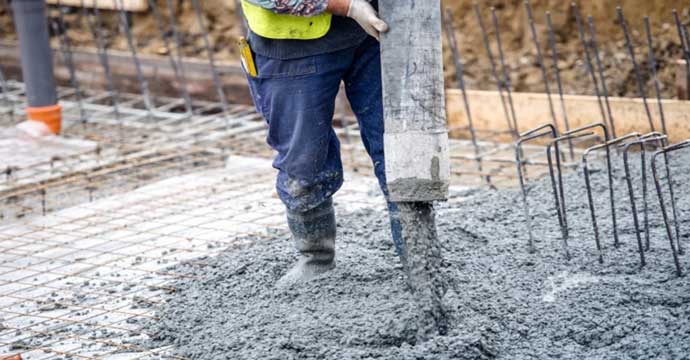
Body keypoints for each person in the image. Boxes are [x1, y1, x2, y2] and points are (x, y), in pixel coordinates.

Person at [241, 0, 404, 287]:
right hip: (292, 46)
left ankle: (418, 253)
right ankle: (316, 257)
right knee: (303, 161)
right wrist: (348, 6)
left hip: (377, 31)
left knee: (401, 150)